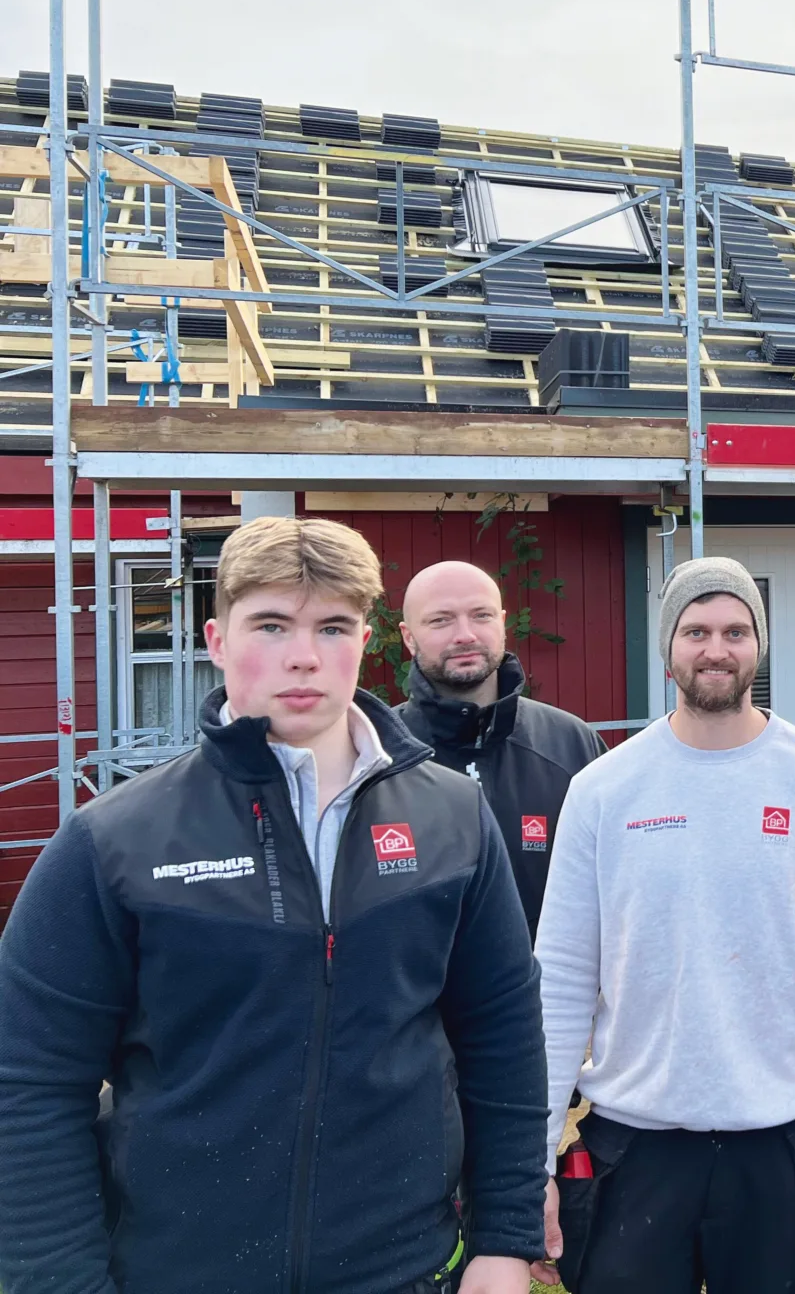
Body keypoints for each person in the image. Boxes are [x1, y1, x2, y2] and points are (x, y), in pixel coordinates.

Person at [0, 516, 548, 1294]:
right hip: (177, 1274)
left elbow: (503, 1035)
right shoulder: (115, 840)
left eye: (332, 626)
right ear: (216, 640)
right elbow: (28, 1082)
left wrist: (504, 1238)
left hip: (402, 1271)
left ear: (366, 640)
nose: (303, 656)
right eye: (271, 624)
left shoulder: (452, 819)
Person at [534, 555, 795, 1294]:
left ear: (758, 646)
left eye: (736, 630)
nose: (716, 648)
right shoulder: (604, 789)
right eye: (696, 629)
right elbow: (562, 981)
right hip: (634, 1147)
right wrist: (533, 1161)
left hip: (783, 1144)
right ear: (668, 646)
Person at [396, 558, 605, 938]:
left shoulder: (571, 744)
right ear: (409, 637)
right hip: (418, 996)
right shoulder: (378, 753)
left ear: (502, 622)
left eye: (481, 615)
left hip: (547, 991)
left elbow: (615, 884)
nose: (465, 635)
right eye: (440, 620)